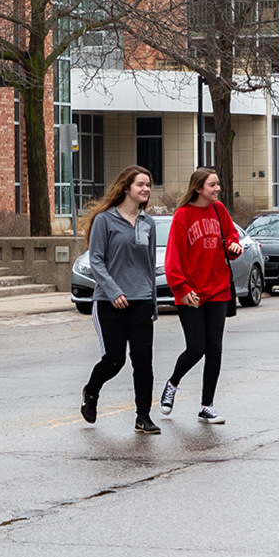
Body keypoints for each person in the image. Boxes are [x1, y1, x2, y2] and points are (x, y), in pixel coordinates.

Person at [78, 165, 162, 434]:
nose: (146, 189)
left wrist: (153, 302)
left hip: (141, 300)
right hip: (109, 302)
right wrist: (114, 292)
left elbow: (149, 264)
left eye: (148, 184)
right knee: (115, 360)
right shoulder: (105, 220)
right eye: (140, 184)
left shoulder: (148, 223)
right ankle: (91, 392)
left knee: (143, 362)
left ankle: (143, 416)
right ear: (126, 188)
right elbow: (96, 260)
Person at [161, 168, 242, 424]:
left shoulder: (219, 211)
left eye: (217, 184)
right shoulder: (182, 215)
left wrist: (233, 246)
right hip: (191, 294)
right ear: (198, 188)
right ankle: (172, 384)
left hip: (218, 289)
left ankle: (207, 406)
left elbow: (231, 237)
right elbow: (173, 258)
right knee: (196, 348)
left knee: (214, 350)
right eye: (212, 185)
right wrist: (182, 289)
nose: (217, 189)